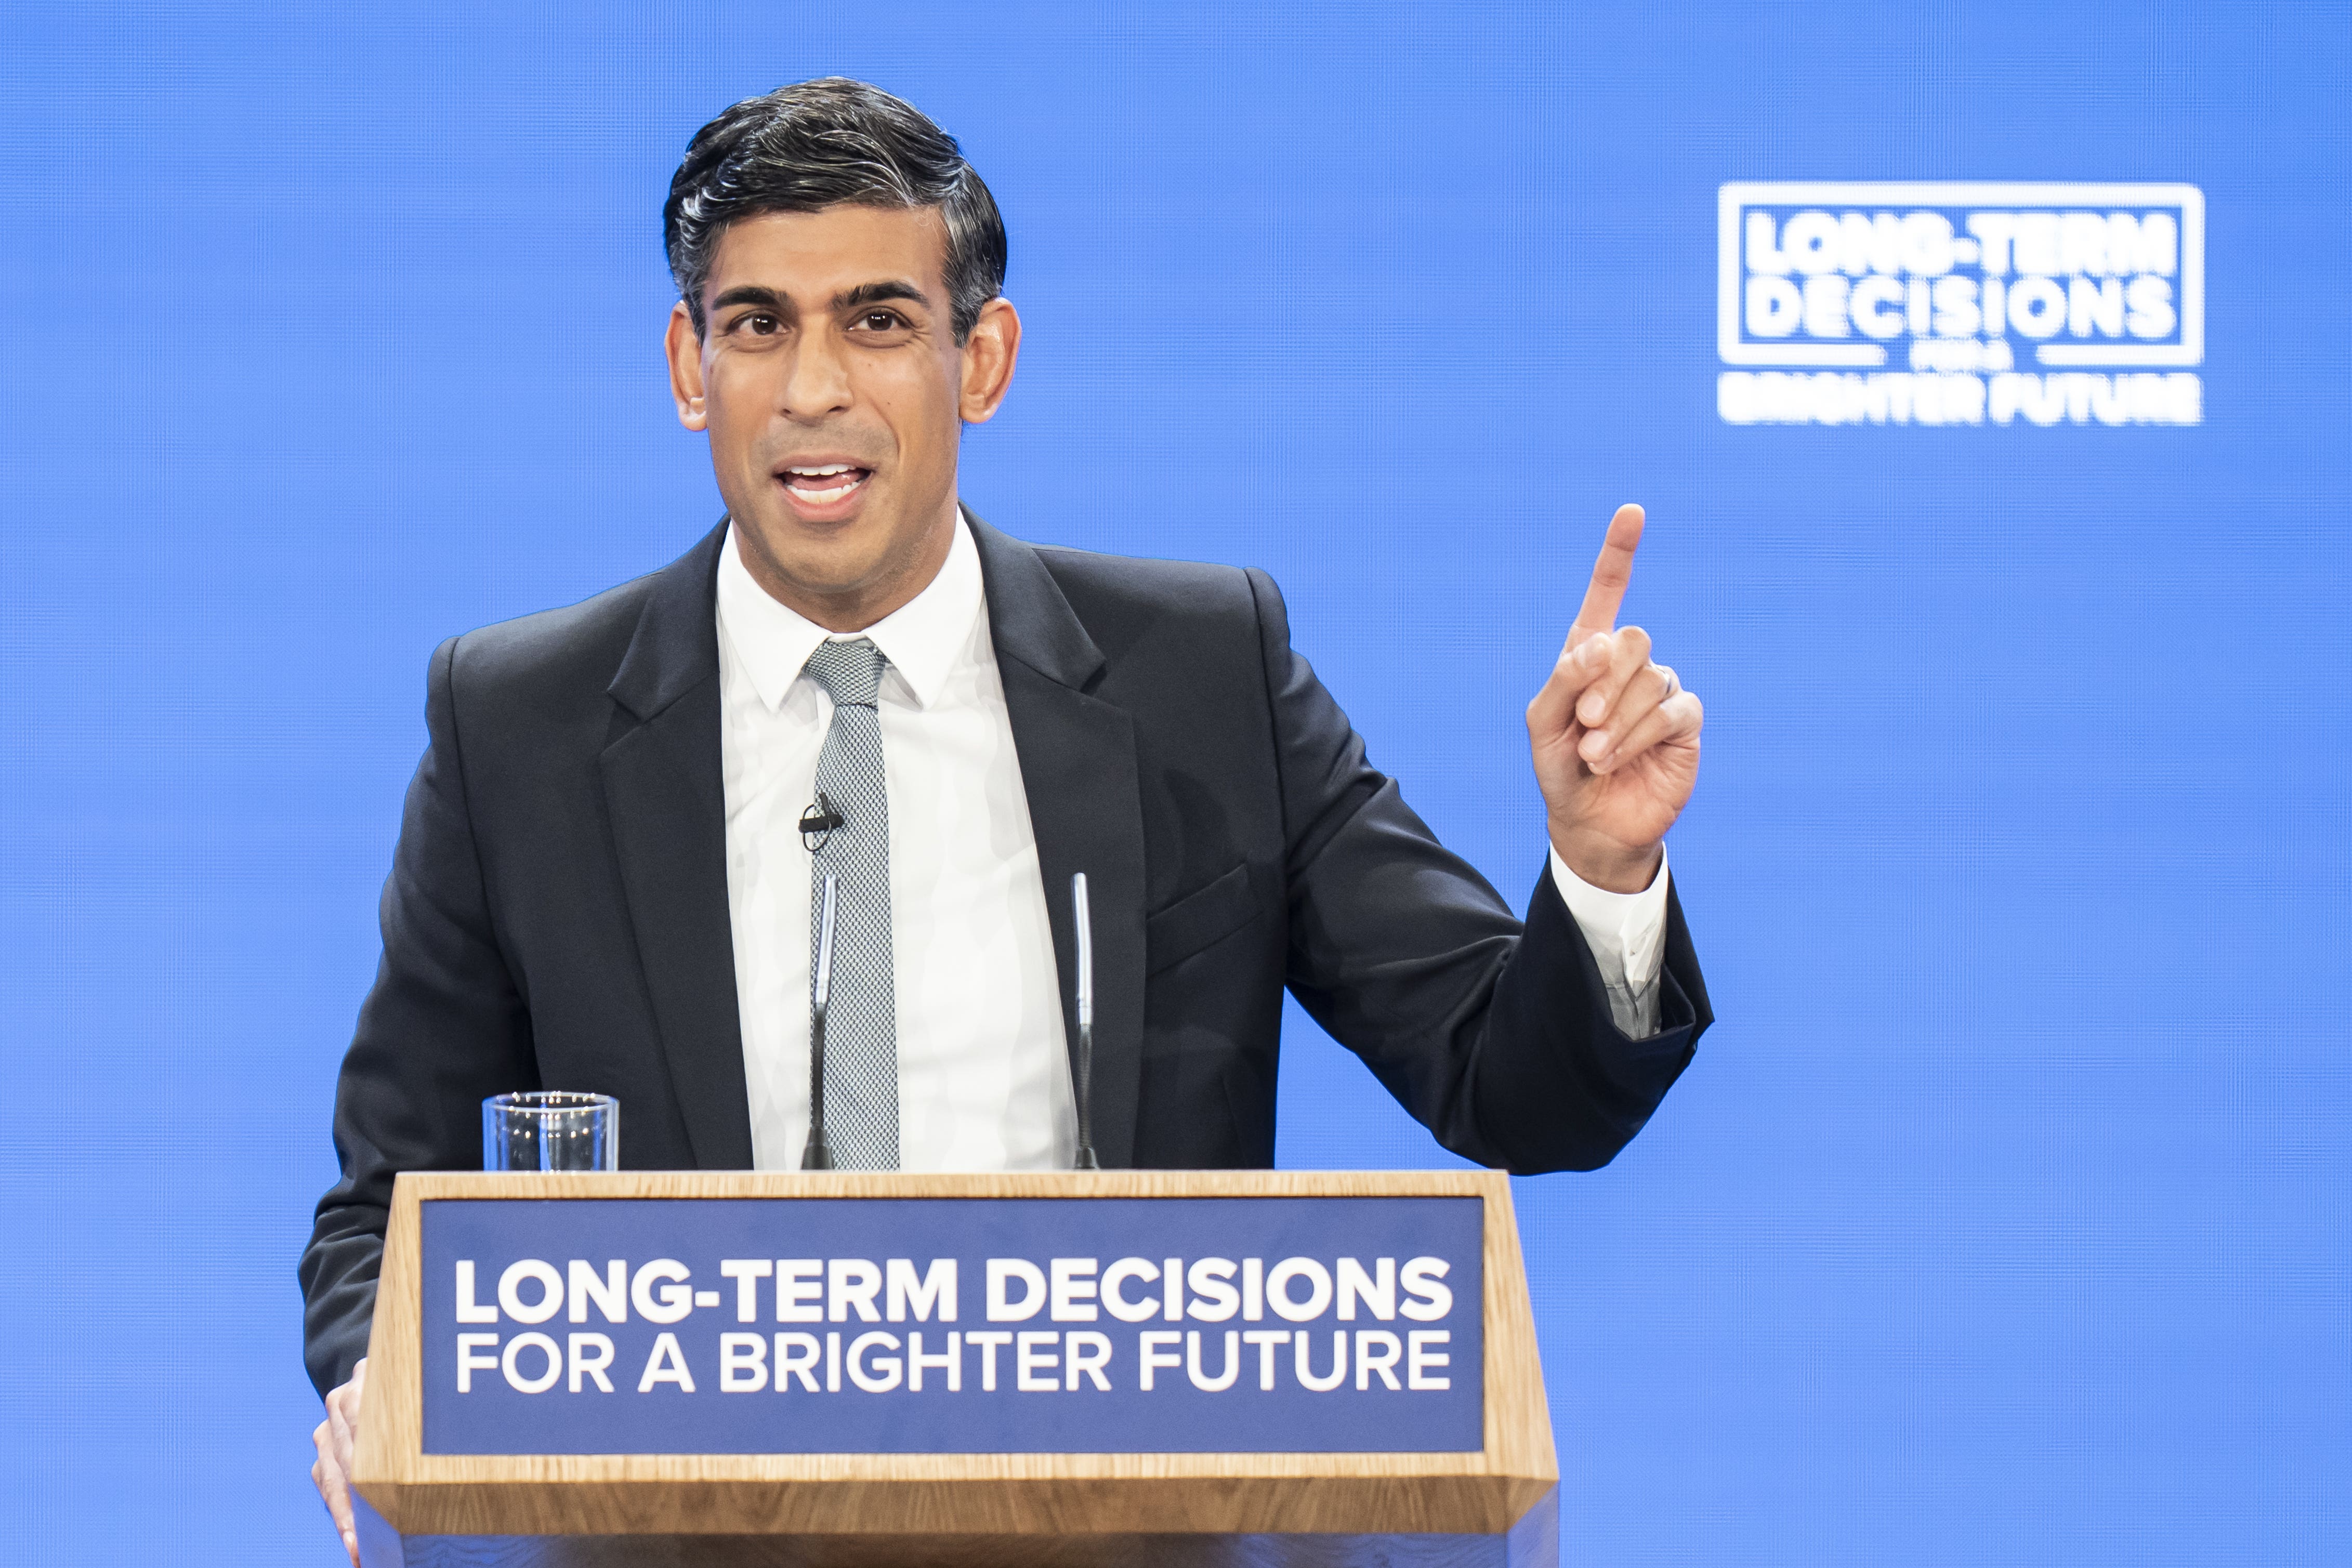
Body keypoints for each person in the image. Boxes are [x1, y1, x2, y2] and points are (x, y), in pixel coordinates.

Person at [304, 76, 1711, 1561]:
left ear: (984, 358)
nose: (813, 391)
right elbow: (379, 1219)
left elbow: (1519, 1087)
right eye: (758, 324)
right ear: (686, 363)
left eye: (879, 321)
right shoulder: (518, 722)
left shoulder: (1199, 674)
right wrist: (382, 1376)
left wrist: (1603, 867)